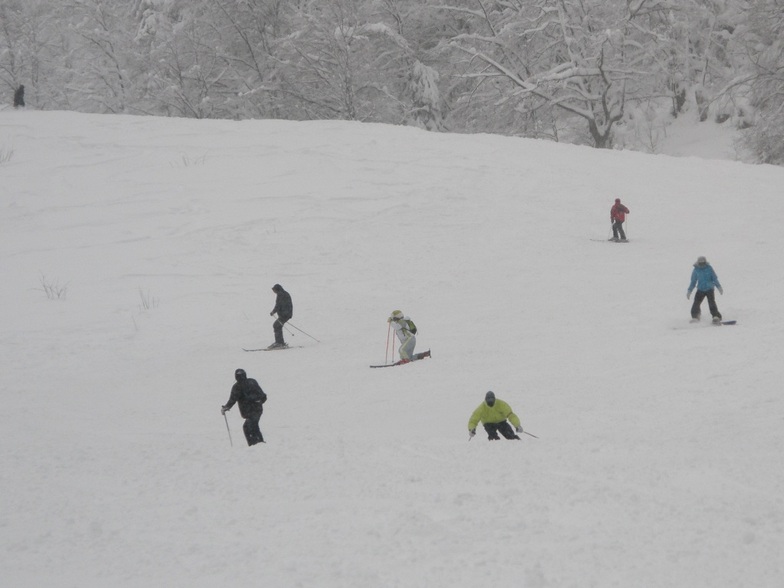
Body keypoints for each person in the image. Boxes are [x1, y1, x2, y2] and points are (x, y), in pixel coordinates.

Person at [221, 368, 267, 446]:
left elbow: (232, 399)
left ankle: (254, 445)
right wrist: (260, 401)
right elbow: (263, 395)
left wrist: (226, 407)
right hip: (257, 409)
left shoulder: (238, 386)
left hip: (252, 410)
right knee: (253, 426)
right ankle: (259, 444)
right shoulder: (251, 382)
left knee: (248, 427)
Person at [687, 256, 723, 323]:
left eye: (703, 263)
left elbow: (714, 278)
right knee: (696, 303)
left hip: (710, 289)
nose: (702, 265)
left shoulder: (709, 268)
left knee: (711, 303)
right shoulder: (696, 270)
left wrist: (719, 287)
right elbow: (693, 281)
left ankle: (716, 316)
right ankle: (695, 317)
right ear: (698, 263)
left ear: (705, 262)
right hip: (700, 289)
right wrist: (689, 290)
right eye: (700, 264)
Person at [268, 283, 292, 349]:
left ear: (277, 289)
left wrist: (273, 312)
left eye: (274, 290)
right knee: (277, 326)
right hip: (286, 314)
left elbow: (278, 305)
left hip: (284, 314)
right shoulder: (285, 293)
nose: (273, 291)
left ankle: (279, 343)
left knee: (276, 325)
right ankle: (280, 342)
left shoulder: (280, 294)